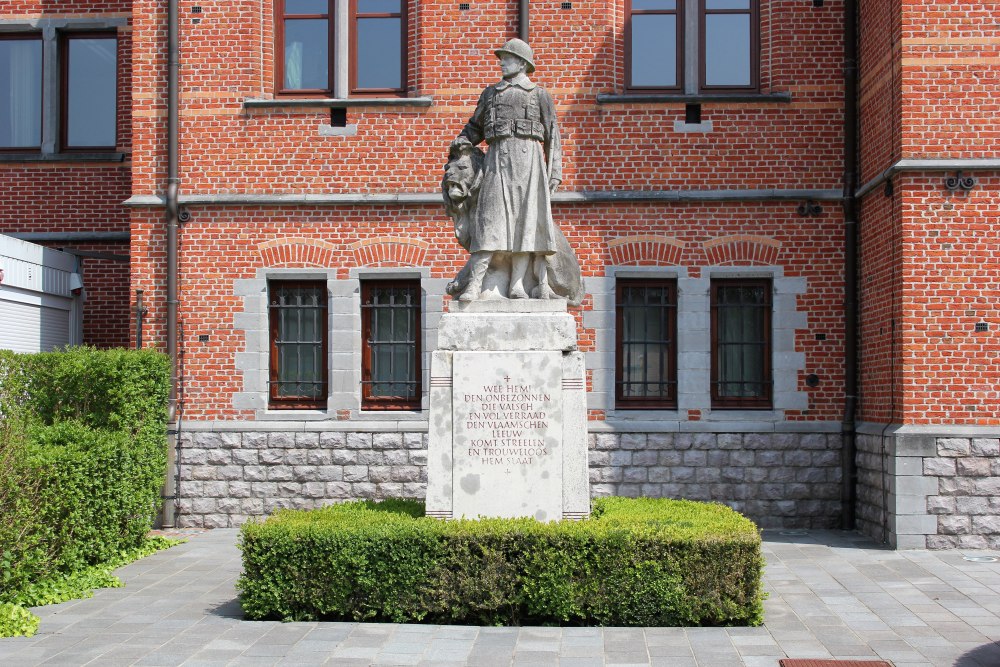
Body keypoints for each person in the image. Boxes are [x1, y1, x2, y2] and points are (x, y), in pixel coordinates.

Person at [450, 38, 562, 301]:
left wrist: (554, 171)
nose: (501, 62)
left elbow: (553, 135)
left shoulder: (539, 94)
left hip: (530, 162)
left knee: (527, 223)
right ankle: (475, 284)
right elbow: (475, 127)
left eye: (507, 57)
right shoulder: (490, 94)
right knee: (490, 220)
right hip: (496, 161)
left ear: (522, 63)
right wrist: (462, 140)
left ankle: (517, 285)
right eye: (502, 57)